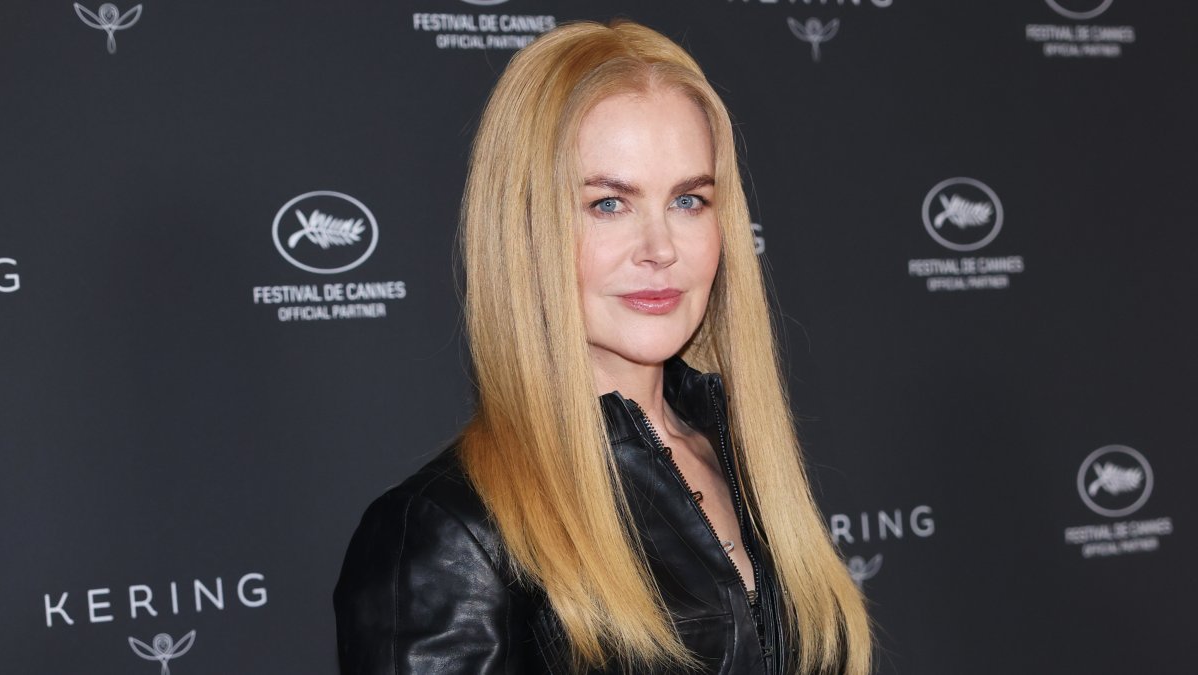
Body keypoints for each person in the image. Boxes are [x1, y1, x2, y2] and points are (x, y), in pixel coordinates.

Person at [334, 19, 871, 675]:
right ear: (526, 229)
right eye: (609, 204)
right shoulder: (450, 536)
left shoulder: (746, 462)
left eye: (688, 200)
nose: (660, 248)